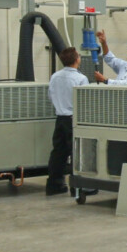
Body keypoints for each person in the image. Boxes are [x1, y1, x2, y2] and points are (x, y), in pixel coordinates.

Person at [45, 46, 88, 195]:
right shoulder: (81, 78)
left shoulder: (55, 76)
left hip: (60, 119)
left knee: (58, 153)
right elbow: (84, 102)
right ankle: (76, 188)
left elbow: (50, 96)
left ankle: (54, 185)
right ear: (77, 60)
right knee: (78, 154)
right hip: (74, 120)